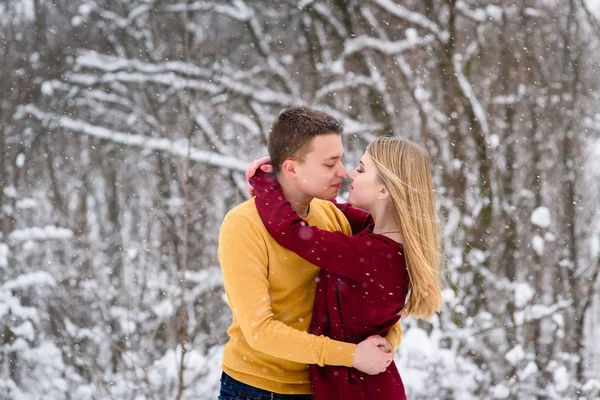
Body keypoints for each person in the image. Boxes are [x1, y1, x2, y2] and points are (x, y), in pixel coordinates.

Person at [218, 106, 403, 400]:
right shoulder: (243, 225)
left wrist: (385, 343)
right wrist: (352, 355)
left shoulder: (333, 217)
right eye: (330, 164)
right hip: (257, 389)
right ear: (291, 168)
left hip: (324, 388)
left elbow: (380, 296)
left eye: (341, 160)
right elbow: (260, 331)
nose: (343, 173)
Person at [247, 136, 443, 399]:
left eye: (361, 170)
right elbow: (328, 209)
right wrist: (290, 183)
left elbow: (291, 231)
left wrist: (265, 181)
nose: (350, 173)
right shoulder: (385, 239)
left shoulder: (371, 254)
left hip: (353, 391)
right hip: (369, 387)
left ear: (384, 191)